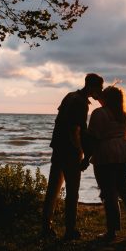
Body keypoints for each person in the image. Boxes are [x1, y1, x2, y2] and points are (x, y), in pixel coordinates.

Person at [41, 72, 104, 240]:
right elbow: (75, 130)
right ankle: (70, 229)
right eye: (100, 88)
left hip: (57, 147)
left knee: (53, 188)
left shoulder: (70, 96)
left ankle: (45, 226)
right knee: (72, 191)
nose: (101, 91)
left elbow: (60, 122)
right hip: (70, 151)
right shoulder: (81, 103)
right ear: (92, 87)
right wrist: (81, 154)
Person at [87, 84, 126, 241]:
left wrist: (86, 156)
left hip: (106, 152)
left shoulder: (99, 113)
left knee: (108, 191)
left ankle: (112, 231)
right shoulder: (123, 115)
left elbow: (93, 136)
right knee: (125, 188)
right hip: (124, 149)